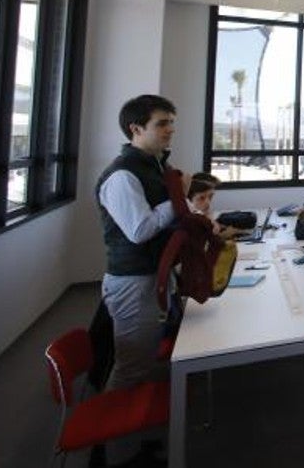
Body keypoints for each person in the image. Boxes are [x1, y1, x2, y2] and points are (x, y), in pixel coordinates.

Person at [96, 95, 180, 465]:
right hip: (132, 281)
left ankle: (129, 440)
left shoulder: (153, 166)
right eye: (162, 123)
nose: (170, 129)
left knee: (140, 361)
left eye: (170, 122)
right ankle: (112, 452)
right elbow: (140, 229)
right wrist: (178, 199)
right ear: (136, 128)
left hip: (152, 277)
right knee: (130, 367)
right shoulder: (122, 175)